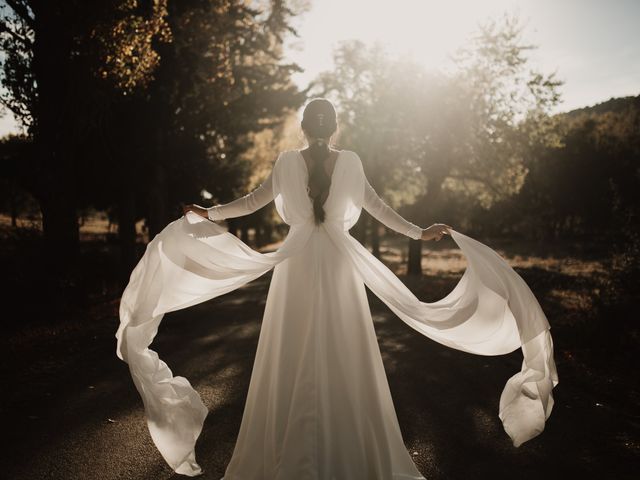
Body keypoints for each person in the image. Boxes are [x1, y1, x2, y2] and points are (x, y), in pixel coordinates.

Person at [116, 98, 558, 478]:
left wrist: (208, 213)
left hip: (297, 265)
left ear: (303, 127)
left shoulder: (288, 161)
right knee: (343, 347)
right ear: (335, 127)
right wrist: (419, 232)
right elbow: (378, 206)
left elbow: (252, 201)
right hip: (338, 266)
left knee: (291, 348)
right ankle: (350, 447)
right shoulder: (351, 162)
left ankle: (290, 450)